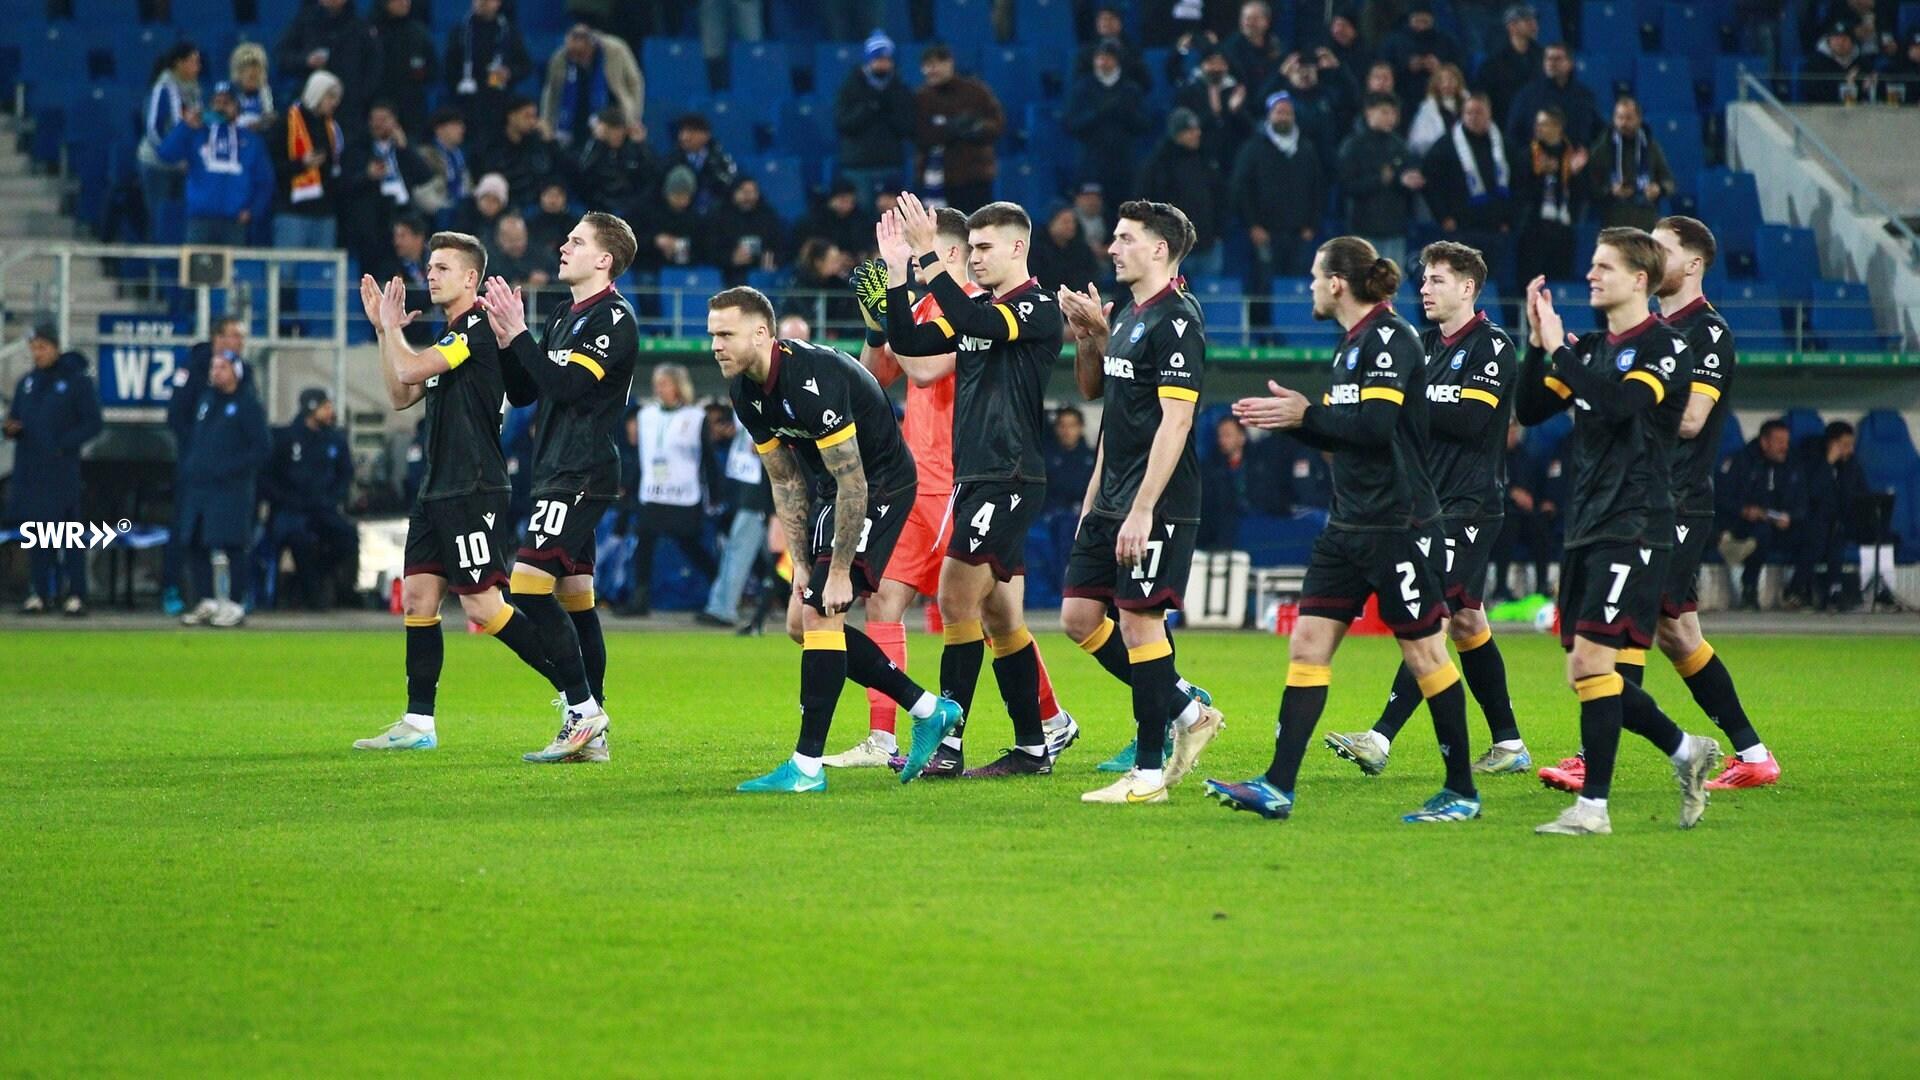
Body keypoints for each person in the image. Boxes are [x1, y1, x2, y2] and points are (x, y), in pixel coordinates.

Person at [1205, 237, 1482, 824]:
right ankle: (1278, 785)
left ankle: (1461, 791)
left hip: (1398, 525)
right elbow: (1344, 430)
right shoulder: (1351, 344)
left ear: (1337, 283)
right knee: (1307, 645)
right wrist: (1299, 423)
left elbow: (1377, 427)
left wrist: (1307, 416)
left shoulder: (1389, 338)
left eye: (1313, 277)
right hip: (1348, 524)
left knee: (1427, 652)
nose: (1307, 286)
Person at [829, 211, 1078, 770]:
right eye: (974, 248)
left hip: (1006, 475)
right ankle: (1037, 740)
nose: (977, 257)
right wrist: (896, 276)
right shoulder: (980, 311)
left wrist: (926, 259)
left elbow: (955, 328)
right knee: (998, 617)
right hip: (977, 476)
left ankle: (947, 743)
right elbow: (911, 344)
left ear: (1018, 247)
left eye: (985, 248)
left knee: (954, 601)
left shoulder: (1032, 307)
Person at [1545, 216, 1780, 788]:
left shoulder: (1706, 333)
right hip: (1641, 498)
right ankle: (1752, 755)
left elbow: (1694, 418)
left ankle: (1595, 758)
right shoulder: (1640, 335)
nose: (1650, 255)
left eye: (1664, 248)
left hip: (1674, 500)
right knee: (1677, 634)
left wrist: (1623, 409)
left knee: (1624, 627)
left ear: (1692, 264)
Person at [1513, 228, 1725, 835]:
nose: (1591, 274)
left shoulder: (1664, 346)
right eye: (1592, 264)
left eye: (1604, 265)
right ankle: (1686, 749)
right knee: (1586, 672)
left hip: (1636, 524)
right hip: (1587, 523)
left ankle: (1594, 809)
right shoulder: (1595, 350)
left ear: (1640, 279)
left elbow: (1620, 407)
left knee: (1592, 663)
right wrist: (1537, 345)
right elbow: (1529, 410)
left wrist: (1561, 352)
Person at [711, 287, 963, 792]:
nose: (714, 345)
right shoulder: (744, 389)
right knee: (799, 626)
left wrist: (841, 571)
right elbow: (785, 481)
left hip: (881, 484)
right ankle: (928, 708)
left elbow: (855, 481)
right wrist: (801, 563)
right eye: (712, 334)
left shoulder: (812, 378)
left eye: (725, 333)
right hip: (833, 487)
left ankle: (806, 768)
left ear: (762, 333)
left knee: (822, 615)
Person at [350, 235, 578, 754]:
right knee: (419, 598)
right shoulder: (450, 333)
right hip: (438, 485)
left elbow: (408, 371)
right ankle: (418, 721)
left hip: (473, 484)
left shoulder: (475, 327)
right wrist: (386, 332)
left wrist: (390, 329)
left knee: (481, 606)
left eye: (442, 267)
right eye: (428, 266)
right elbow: (399, 393)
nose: (430, 275)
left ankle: (576, 693)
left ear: (471, 278)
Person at [1323, 241, 1531, 777]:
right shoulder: (1426, 346)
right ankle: (1508, 744)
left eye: (1437, 279)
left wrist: (1404, 401)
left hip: (1470, 504)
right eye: (1423, 279)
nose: (1424, 288)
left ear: (1467, 288)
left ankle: (1380, 737)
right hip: (1430, 504)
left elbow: (1469, 420)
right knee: (1465, 622)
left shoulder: (1493, 346)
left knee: (1430, 615)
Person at [1054, 202, 1227, 804]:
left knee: (1138, 619)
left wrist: (1143, 508)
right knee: (1078, 617)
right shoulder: (1130, 312)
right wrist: (1088, 340)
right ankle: (1185, 708)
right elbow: (1103, 397)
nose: (1113, 247)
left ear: (1160, 249)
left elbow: (1175, 423)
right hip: (1111, 497)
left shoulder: (1178, 321)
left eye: (1126, 238)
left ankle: (1149, 773)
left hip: (1159, 501)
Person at [480, 212, 644, 762]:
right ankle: (591, 735)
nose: (563, 246)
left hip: (583, 470)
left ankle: (583, 708)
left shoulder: (614, 319)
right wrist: (508, 339)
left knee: (526, 587)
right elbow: (528, 390)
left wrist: (522, 335)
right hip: (555, 467)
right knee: (576, 600)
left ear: (604, 259)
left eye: (576, 241)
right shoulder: (562, 314)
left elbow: (570, 385)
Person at [4, 328, 103, 616]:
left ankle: (76, 594)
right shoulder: (28, 383)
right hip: (31, 470)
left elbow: (93, 423)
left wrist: (64, 445)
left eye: (43, 347)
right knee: (38, 534)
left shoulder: (75, 381)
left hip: (61, 472)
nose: (38, 353)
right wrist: (11, 429)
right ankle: (40, 592)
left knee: (68, 534)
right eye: (34, 348)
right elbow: (17, 417)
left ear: (56, 348)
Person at [177, 349, 269, 628]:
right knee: (195, 543)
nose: (216, 371)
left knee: (232, 545)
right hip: (200, 488)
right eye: (214, 366)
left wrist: (231, 469)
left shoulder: (247, 405)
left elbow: (262, 448)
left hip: (231, 489)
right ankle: (207, 600)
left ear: (236, 373)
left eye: (223, 367)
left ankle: (235, 603)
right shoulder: (206, 400)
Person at [625, 363, 719, 615]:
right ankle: (639, 599)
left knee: (690, 545)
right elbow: (639, 456)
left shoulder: (695, 417)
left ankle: (721, 587)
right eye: (657, 383)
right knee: (644, 544)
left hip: (683, 494)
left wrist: (716, 493)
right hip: (652, 492)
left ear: (678, 386)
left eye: (664, 383)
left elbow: (708, 459)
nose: (659, 388)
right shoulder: (646, 416)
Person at [260, 387, 356, 609]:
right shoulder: (285, 438)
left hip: (323, 507)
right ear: (311, 409)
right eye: (325, 406)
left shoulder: (335, 439)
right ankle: (310, 595)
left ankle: (317, 578)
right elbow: (267, 477)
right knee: (298, 538)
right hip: (290, 508)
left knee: (347, 538)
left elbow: (345, 474)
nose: (330, 411)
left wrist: (334, 498)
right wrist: (283, 499)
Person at [157, 81, 274, 246]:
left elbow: (265, 182)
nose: (221, 107)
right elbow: (166, 154)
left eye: (227, 103)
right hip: (200, 219)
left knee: (232, 271)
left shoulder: (251, 140)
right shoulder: (196, 134)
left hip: (235, 221)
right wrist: (185, 127)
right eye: (217, 102)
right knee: (197, 270)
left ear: (237, 107)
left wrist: (253, 211)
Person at [1233, 92, 1325, 301]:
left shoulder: (1306, 149)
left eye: (1288, 113)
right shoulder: (1253, 148)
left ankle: (1293, 330)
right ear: (1269, 116)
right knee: (1265, 284)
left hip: (1299, 233)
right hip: (1265, 232)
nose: (1283, 117)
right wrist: (1253, 224)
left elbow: (1317, 188)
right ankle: (1265, 332)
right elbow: (1242, 189)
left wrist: (1311, 224)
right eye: (1279, 112)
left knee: (1297, 285)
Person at [1421, 93, 1517, 285]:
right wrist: (1443, 217)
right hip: (1460, 230)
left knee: (1494, 283)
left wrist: (1510, 219)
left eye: (1479, 112)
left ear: (1489, 114)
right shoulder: (1445, 146)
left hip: (1495, 230)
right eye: (1469, 112)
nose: (1474, 117)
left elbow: (1519, 185)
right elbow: (1430, 184)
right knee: (1460, 281)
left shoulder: (1505, 146)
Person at [1718, 418, 1805, 610]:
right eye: (1779, 442)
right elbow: (1723, 499)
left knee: (1814, 532)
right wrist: (1745, 510)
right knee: (1761, 531)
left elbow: (1802, 502)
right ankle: (1749, 590)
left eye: (1786, 442)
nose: (1785, 447)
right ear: (1764, 442)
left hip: (1781, 525)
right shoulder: (1741, 461)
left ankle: (1796, 592)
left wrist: (1791, 517)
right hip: (1747, 524)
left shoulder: (1792, 464)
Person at [1137, 108, 1229, 280]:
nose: (1197, 134)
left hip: (1207, 242)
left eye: (1197, 129)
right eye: (1191, 130)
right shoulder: (1159, 163)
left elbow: (1220, 196)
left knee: (1208, 298)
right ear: (1178, 134)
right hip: (1173, 247)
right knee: (1174, 300)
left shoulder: (1206, 159)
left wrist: (1218, 231)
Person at [700, 415, 773, 627]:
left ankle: (723, 609)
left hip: (757, 495)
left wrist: (764, 445)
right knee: (743, 551)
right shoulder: (745, 405)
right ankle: (720, 606)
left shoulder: (762, 403)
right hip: (746, 493)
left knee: (739, 552)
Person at [914, 44, 1005, 213]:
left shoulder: (976, 92)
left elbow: (997, 124)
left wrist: (977, 129)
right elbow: (919, 135)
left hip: (975, 178)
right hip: (937, 181)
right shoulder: (921, 98)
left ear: (949, 63)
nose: (931, 70)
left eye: (935, 64)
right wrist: (950, 130)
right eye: (926, 66)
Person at [1337, 92, 1423, 267]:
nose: (1390, 118)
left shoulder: (1400, 145)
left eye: (1393, 113)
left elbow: (1404, 179)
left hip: (1394, 229)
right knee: (1363, 284)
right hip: (1363, 229)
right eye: (1384, 112)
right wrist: (1379, 180)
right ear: (1369, 112)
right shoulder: (1353, 145)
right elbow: (1346, 186)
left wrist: (1407, 182)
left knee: (1391, 283)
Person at [834, 31, 917, 208]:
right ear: (869, 60)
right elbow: (843, 123)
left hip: (890, 165)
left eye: (887, 60)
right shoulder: (850, 87)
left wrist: (887, 108)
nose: (883, 64)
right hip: (858, 166)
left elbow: (907, 126)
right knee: (863, 219)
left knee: (893, 219)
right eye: (878, 59)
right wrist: (869, 108)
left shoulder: (900, 90)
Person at [1064, 43, 1152, 207]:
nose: (1103, 62)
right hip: (1092, 164)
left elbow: (1145, 125)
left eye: (1108, 58)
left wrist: (1126, 113)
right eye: (1099, 58)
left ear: (1117, 61)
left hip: (1124, 164)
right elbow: (1070, 125)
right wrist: (1097, 114)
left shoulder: (1130, 89)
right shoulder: (1083, 88)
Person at [267, 71, 346, 251]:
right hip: (292, 211)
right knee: (286, 273)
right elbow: (273, 168)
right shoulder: (285, 123)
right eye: (330, 97)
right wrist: (302, 164)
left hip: (324, 212)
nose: (335, 103)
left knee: (322, 273)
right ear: (316, 93)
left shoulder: (332, 127)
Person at [274, 0, 379, 134]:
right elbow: (281, 56)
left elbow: (374, 65)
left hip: (350, 111)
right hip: (313, 109)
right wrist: (306, 60)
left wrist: (360, 96)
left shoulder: (360, 25)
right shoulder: (306, 21)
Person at [444, 0, 533, 154]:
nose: (483, 2)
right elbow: (448, 68)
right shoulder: (460, 31)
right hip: (466, 105)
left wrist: (509, 73)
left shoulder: (509, 32)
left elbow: (525, 65)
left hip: (498, 104)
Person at [541, 23, 645, 151]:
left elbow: (634, 82)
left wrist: (634, 116)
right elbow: (552, 92)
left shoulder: (616, 50)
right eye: (571, 53)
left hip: (613, 112)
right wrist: (547, 121)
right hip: (577, 118)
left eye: (580, 53)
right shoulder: (560, 58)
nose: (575, 58)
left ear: (591, 46)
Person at [137, 42, 202, 243]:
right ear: (178, 63)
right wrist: (169, 154)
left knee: (180, 218)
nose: (197, 67)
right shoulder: (162, 89)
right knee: (159, 216)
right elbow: (153, 129)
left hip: (182, 166)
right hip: (156, 165)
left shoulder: (195, 91)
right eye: (193, 62)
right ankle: (154, 267)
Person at [1513, 106, 1585, 284]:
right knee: (1530, 282)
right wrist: (1537, 174)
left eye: (1544, 124)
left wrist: (1574, 174)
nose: (1538, 128)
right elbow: (1518, 189)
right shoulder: (1527, 155)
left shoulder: (1571, 156)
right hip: (1533, 229)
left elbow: (1582, 193)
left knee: (1560, 281)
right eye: (1537, 124)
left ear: (1558, 128)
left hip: (1563, 228)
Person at [1801, 420, 1868, 609]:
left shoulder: (1852, 465)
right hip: (1815, 523)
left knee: (1881, 535)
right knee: (1823, 535)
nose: (1850, 451)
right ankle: (1803, 590)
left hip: (1845, 522)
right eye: (1845, 445)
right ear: (1832, 444)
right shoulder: (1813, 462)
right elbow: (1811, 493)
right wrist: (1828, 463)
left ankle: (1874, 592)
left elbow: (1861, 497)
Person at [1489, 418, 1559, 599]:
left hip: (1529, 513)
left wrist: (1546, 500)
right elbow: (1489, 486)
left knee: (1541, 527)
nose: (1511, 435)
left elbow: (1540, 483)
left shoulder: (1527, 456)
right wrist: (1511, 493)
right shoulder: (1493, 458)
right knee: (1507, 529)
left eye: (1514, 431)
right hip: (1504, 513)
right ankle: (1501, 588)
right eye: (1508, 431)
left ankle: (1542, 585)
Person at [1586, 96, 1673, 231]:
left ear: (1639, 119)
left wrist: (1658, 189)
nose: (1623, 123)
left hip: (1645, 220)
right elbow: (1590, 184)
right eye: (1619, 117)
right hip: (1613, 221)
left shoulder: (1650, 146)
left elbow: (1669, 181)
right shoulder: (1602, 148)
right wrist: (1610, 190)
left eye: (1628, 118)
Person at [1506, 43, 1600, 152]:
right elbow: (1513, 135)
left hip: (1575, 163)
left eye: (1557, 59)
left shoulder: (1584, 96)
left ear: (1570, 63)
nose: (1551, 63)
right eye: (1548, 59)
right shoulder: (1527, 96)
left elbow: (1596, 132)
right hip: (1536, 163)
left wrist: (1585, 153)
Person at [1174, 45, 1253, 174]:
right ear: (1202, 65)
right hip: (1199, 160)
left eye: (1221, 63)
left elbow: (1249, 129)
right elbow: (1183, 129)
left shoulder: (1236, 91)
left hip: (1232, 160)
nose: (1216, 68)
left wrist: (1235, 111)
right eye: (1211, 62)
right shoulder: (1188, 92)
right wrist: (1213, 113)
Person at [573, 106, 658, 217]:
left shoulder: (634, 149)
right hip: (599, 207)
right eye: (611, 130)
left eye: (619, 129)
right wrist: (598, 143)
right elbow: (582, 174)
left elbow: (651, 175)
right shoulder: (596, 148)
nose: (616, 135)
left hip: (632, 208)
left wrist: (641, 145)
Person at [371, 0, 438, 138]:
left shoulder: (418, 32)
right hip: (378, 104)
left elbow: (433, 71)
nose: (405, 3)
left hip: (412, 108)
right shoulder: (370, 32)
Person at [1380, 1, 1464, 109]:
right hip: (1403, 98)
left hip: (1439, 98)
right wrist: (1406, 66)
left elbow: (1459, 70)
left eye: (1425, 21)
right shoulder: (1394, 41)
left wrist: (1440, 69)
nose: (1421, 26)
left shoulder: (1446, 42)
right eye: (1417, 21)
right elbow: (1383, 67)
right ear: (1410, 20)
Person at [481, 97, 559, 213]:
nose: (533, 122)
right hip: (502, 204)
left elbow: (553, 170)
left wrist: (551, 142)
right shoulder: (492, 144)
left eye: (534, 117)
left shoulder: (536, 143)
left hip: (535, 204)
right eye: (527, 116)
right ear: (511, 116)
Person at [707, 176, 786, 286]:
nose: (748, 197)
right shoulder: (720, 216)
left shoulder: (768, 216)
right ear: (734, 193)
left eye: (752, 192)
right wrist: (731, 258)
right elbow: (709, 250)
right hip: (728, 274)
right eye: (744, 192)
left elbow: (781, 247)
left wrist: (773, 260)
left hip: (762, 275)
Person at [1476, 4, 1542, 127]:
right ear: (1512, 27)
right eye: (1527, 20)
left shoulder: (1544, 58)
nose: (1534, 25)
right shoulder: (1493, 65)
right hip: (1506, 126)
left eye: (1534, 20)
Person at [666, 113, 741, 214]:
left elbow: (731, 185)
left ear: (705, 135)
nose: (684, 137)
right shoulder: (672, 160)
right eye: (682, 132)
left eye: (690, 132)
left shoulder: (721, 160)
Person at [1074, 5, 1155, 91]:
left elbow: (1146, 84)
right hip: (1097, 98)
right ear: (1097, 24)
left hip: (1126, 96)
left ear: (1120, 23)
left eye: (1112, 19)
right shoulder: (1086, 52)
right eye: (1103, 19)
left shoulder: (1132, 50)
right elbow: (1080, 82)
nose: (1107, 23)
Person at [414, 108, 471, 225]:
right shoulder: (425, 155)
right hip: (438, 211)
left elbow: (468, 185)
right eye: (455, 125)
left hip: (462, 207)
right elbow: (421, 192)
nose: (462, 129)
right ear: (439, 129)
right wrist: (444, 208)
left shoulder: (460, 156)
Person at [1027, 202, 1101, 294]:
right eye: (1065, 222)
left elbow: (1090, 277)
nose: (1071, 226)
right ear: (1051, 223)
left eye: (1073, 222)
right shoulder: (1035, 250)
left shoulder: (1082, 250)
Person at [1222, 0, 1287, 101]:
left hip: (1274, 101)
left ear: (1266, 22)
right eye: (1246, 18)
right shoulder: (1230, 49)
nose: (1249, 23)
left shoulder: (1276, 46)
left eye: (1255, 19)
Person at [1803, 15, 1874, 103]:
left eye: (1844, 39)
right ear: (1829, 40)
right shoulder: (1816, 62)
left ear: (1852, 41)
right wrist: (1847, 85)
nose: (1840, 43)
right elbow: (1814, 93)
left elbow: (1868, 93)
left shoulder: (1862, 62)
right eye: (1836, 38)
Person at [1406, 61, 1465, 157]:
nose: (1447, 84)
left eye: (1451, 79)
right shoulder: (1427, 109)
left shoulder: (1468, 105)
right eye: (1442, 80)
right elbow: (1418, 142)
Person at [1043, 406, 1096, 514]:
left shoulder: (1092, 458)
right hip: (1048, 514)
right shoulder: (1044, 457)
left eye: (1072, 425)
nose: (1067, 431)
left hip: (1080, 515)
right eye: (1062, 426)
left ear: (1081, 427)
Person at [228, 42, 277, 133]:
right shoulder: (231, 94)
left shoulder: (268, 93)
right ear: (238, 74)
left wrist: (262, 124)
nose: (253, 80)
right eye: (250, 78)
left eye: (256, 77)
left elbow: (272, 117)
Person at [488, 213, 548, 286]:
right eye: (511, 240)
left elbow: (557, 276)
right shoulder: (488, 259)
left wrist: (546, 279)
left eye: (519, 239)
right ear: (499, 239)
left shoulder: (540, 253)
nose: (517, 245)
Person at [454, 171, 511, 243]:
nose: (489, 204)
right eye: (486, 198)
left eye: (495, 201)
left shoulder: (503, 224)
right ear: (478, 198)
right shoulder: (463, 214)